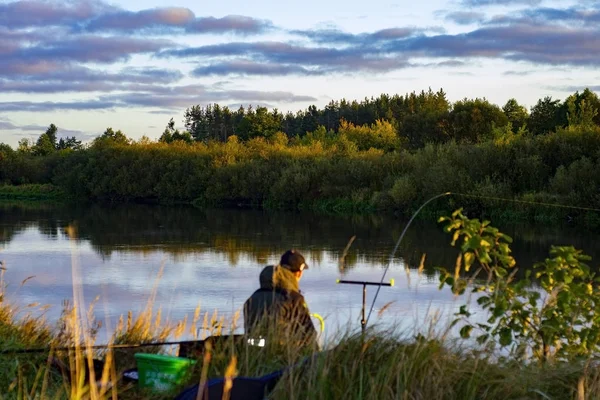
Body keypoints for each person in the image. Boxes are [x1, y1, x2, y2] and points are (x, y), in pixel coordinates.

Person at [243, 249, 317, 348]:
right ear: (299, 273)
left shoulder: (253, 297)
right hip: (282, 355)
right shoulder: (294, 299)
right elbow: (310, 335)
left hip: (254, 352)